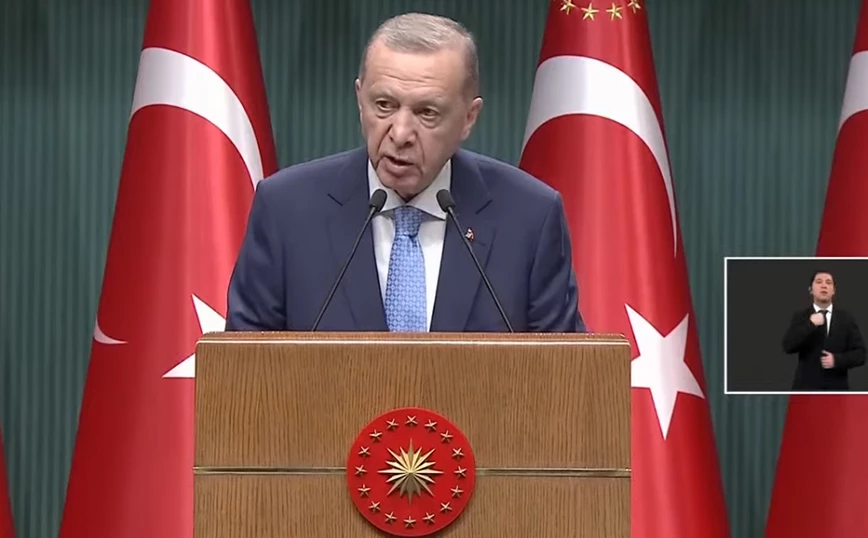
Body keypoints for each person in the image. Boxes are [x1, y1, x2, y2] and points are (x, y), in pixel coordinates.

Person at [225, 13, 585, 333]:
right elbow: (244, 370)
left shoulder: (529, 218)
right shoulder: (286, 211)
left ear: (468, 118)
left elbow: (565, 374)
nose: (400, 134)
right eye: (384, 105)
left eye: (427, 113)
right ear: (360, 99)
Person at [781, 270, 865, 391]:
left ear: (833, 291)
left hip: (837, 391)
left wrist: (837, 360)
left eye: (828, 282)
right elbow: (788, 346)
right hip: (806, 390)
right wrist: (810, 324)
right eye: (819, 282)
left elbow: (861, 354)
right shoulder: (801, 316)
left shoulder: (846, 318)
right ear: (811, 290)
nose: (824, 285)